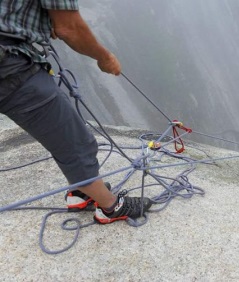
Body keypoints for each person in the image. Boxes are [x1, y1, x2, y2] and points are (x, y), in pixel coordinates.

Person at [0, 1, 151, 224]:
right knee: (74, 141)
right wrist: (104, 57)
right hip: (9, 67)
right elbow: (69, 28)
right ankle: (110, 207)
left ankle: (81, 194)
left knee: (65, 132)